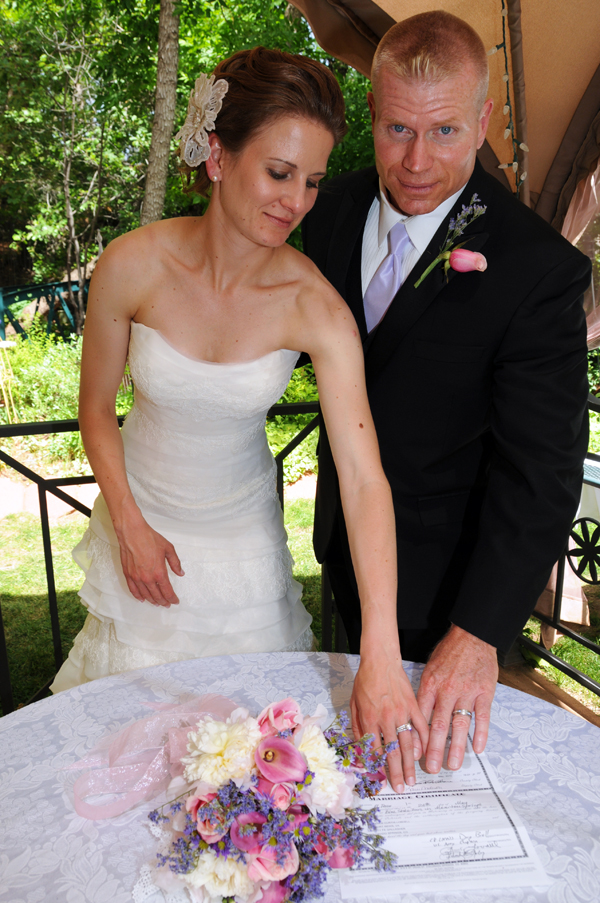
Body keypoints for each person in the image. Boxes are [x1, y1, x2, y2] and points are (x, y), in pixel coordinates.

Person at [50, 46, 427, 787]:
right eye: (279, 173)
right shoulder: (131, 265)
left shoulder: (315, 305)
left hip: (245, 563)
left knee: (250, 780)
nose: (297, 201)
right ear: (218, 157)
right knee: (124, 774)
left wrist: (380, 642)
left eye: (313, 180)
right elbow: (95, 409)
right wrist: (127, 523)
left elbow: (363, 480)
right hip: (142, 537)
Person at [302, 11, 590, 789]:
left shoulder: (539, 270)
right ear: (371, 111)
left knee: (433, 789)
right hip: (342, 555)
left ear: (484, 119)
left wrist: (479, 632)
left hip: (452, 591)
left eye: (445, 132)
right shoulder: (325, 213)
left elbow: (545, 469)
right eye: (397, 128)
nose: (417, 160)